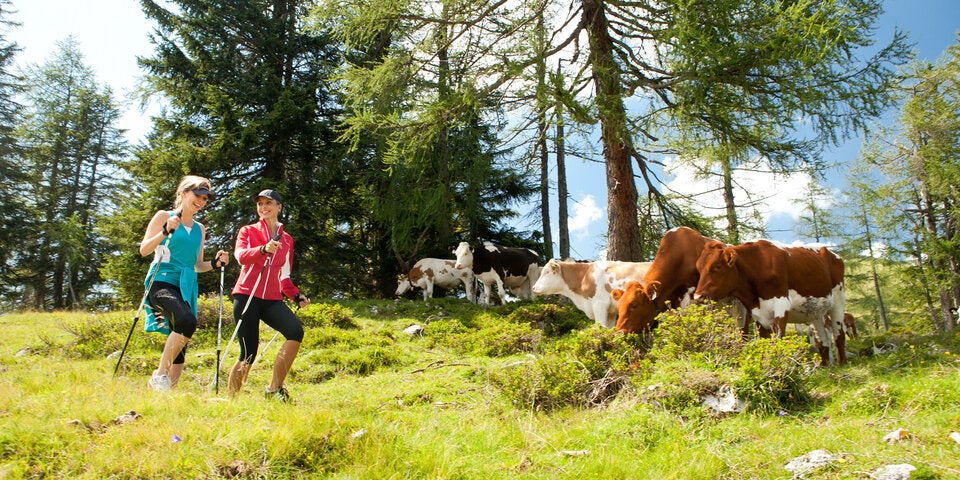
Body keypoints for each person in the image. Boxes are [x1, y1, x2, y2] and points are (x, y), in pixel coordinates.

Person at [140, 175, 229, 391]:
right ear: (184, 193)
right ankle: (159, 376)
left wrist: (216, 264)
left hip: (186, 285)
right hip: (161, 281)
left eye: (205, 198)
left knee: (182, 331)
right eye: (198, 195)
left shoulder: (200, 229)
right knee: (187, 321)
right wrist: (164, 231)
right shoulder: (165, 216)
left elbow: (197, 265)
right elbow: (144, 250)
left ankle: (170, 391)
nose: (201, 201)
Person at [227, 189, 309, 402]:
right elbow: (240, 257)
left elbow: (285, 276)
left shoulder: (287, 240)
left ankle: (274, 389)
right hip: (247, 295)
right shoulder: (247, 231)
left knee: (295, 332)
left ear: (279, 207)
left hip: (272, 299)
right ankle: (231, 401)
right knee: (248, 353)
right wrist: (262, 249)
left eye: (269, 203)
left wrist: (296, 295)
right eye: (260, 203)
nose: (263, 207)